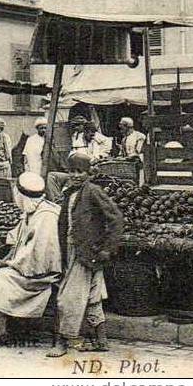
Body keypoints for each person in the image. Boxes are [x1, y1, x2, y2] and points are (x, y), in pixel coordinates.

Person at [48, 152, 124, 357]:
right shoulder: (70, 192)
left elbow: (116, 218)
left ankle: (63, 341)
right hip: (73, 250)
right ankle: (101, 340)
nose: (76, 175)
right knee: (93, 296)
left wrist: (107, 248)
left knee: (67, 298)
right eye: (72, 171)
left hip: (87, 252)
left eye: (80, 171)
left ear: (89, 173)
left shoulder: (93, 191)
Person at [0, 172, 62, 346]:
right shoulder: (32, 211)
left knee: (1, 279)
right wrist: (6, 258)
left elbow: (37, 255)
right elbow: (17, 241)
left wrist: (7, 264)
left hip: (42, 273)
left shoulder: (46, 217)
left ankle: (0, 330)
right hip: (27, 267)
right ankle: (6, 326)